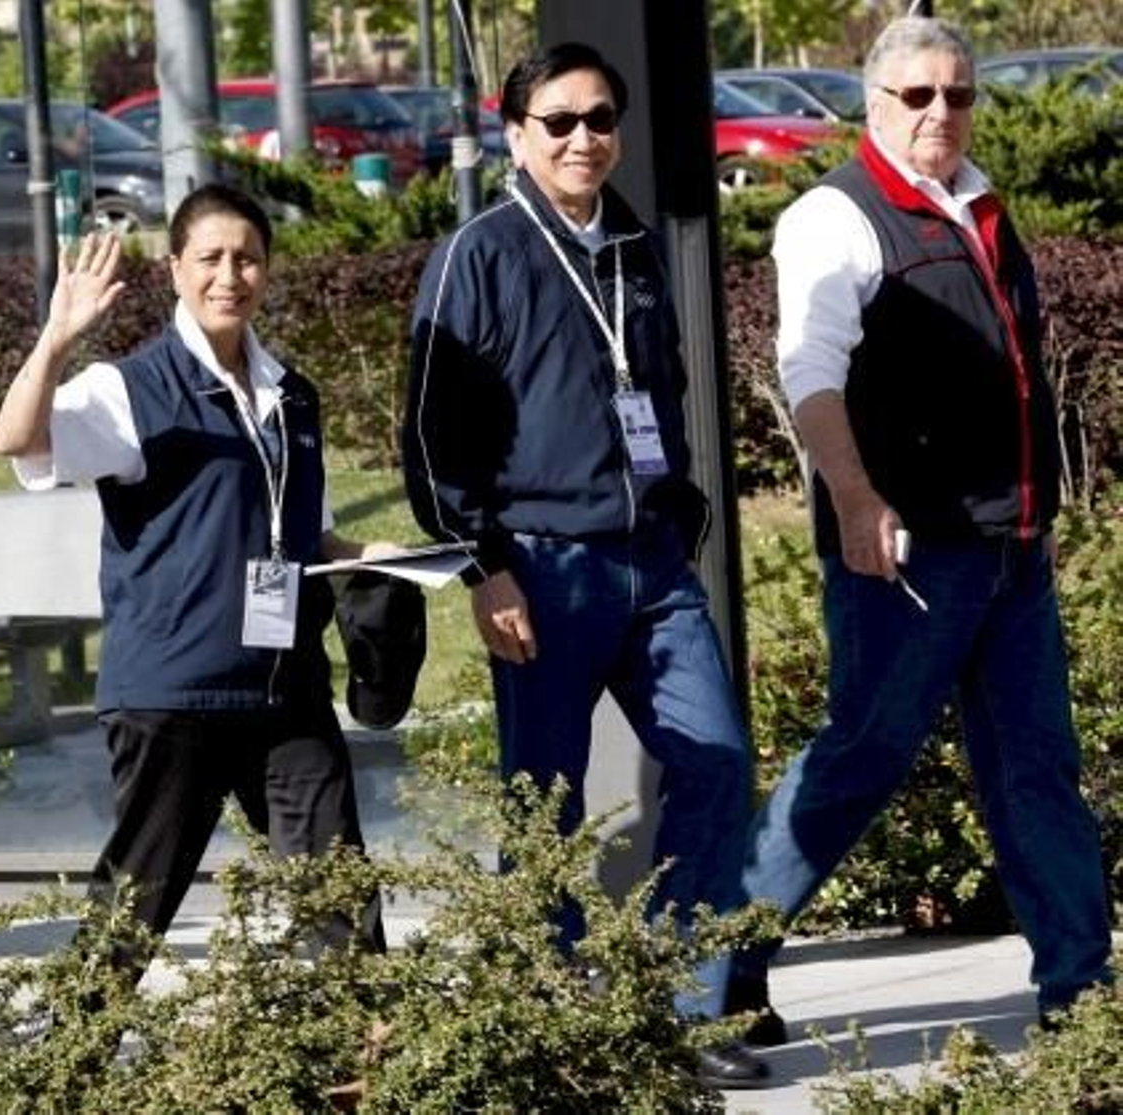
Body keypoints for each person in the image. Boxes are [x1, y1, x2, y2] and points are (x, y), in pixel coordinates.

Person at [730, 14, 1114, 1041]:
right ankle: (707, 980)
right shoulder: (835, 216)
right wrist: (856, 497)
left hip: (1008, 548)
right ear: (872, 102)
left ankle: (1082, 993)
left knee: (1037, 769)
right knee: (859, 758)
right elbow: (808, 372)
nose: (940, 112)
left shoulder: (978, 201)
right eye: (916, 96)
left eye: (957, 93)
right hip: (907, 555)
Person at [403, 42, 765, 1087]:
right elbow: (429, 433)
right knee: (545, 805)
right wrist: (484, 566)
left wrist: (679, 503)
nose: (582, 139)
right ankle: (548, 1015)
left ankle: (686, 1012)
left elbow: (661, 388)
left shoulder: (635, 246)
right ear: (515, 132)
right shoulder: (479, 253)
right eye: (557, 121)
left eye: (599, 118)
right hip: (541, 567)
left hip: (650, 563)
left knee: (714, 761)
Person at [0, 184, 385, 969]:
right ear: (174, 269)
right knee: (133, 912)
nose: (229, 276)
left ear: (267, 271)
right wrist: (58, 339)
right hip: (173, 694)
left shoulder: (291, 397)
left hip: (283, 688)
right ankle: (70, 1072)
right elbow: (18, 439)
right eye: (210, 258)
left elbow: (300, 529)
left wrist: (373, 560)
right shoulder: (129, 389)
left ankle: (361, 1081)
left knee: (339, 901)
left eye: (247, 259)